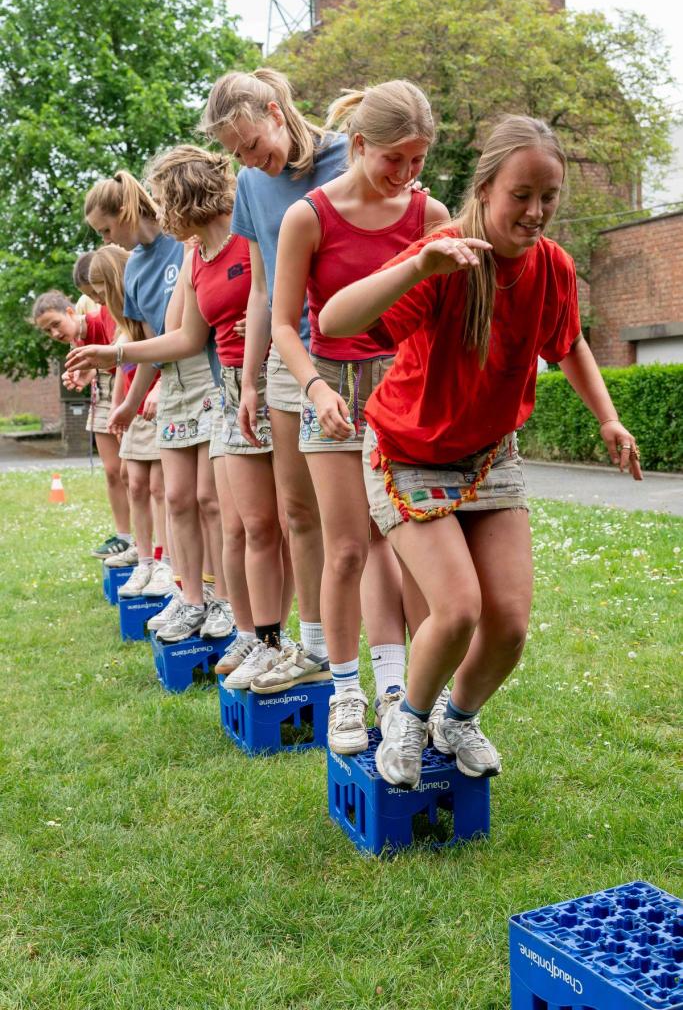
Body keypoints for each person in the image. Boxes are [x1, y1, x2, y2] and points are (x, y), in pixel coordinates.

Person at [319, 114, 643, 788]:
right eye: (521, 195)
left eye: (548, 196)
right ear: (487, 187)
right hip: (408, 452)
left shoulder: (552, 265)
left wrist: (609, 419)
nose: (536, 211)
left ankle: (456, 718)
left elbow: (568, 343)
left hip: (490, 456)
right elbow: (334, 321)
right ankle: (407, 721)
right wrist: (418, 265)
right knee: (458, 610)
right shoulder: (445, 256)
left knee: (509, 625)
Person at [269, 81, 449, 753]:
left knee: (402, 547)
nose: (405, 174)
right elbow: (283, 324)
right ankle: (346, 692)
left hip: (405, 396)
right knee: (346, 548)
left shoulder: (430, 214)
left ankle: (405, 692)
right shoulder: (308, 216)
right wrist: (315, 390)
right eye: (392, 159)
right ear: (360, 144)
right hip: (334, 393)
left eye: (417, 160)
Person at [68, 145, 293, 677]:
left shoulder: (245, 232)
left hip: (260, 383)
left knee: (273, 521)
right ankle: (245, 630)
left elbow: (275, 296)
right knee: (231, 522)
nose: (157, 209)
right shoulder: (189, 256)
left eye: (162, 198)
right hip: (222, 389)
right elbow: (181, 336)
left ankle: (285, 638)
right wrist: (118, 363)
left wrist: (266, 324)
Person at [197, 67, 348, 680]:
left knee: (367, 524)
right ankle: (313, 649)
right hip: (289, 359)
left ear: (275, 112)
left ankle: (396, 673)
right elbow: (261, 290)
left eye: (253, 144)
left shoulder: (348, 157)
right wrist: (250, 381)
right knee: (298, 512)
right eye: (237, 154)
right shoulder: (250, 186)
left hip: (356, 354)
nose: (250, 161)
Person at [84, 171, 230, 642]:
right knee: (178, 499)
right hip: (171, 386)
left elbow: (192, 332)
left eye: (106, 229)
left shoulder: (182, 241)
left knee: (210, 500)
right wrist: (130, 401)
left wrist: (118, 357)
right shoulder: (133, 270)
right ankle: (191, 599)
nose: (107, 240)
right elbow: (150, 345)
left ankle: (223, 600)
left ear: (125, 212)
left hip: (206, 375)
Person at [86, 245, 169, 601]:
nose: (98, 300)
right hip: (134, 411)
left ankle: (165, 561)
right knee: (135, 484)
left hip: (156, 406)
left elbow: (164, 352)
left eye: (100, 291)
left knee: (160, 489)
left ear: (116, 281)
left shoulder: (146, 307)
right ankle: (144, 560)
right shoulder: (122, 320)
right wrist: (118, 403)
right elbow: (124, 364)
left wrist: (157, 389)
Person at [31, 284, 132, 559]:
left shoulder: (103, 317)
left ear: (69, 311)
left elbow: (125, 356)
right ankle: (124, 538)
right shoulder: (76, 340)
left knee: (132, 474)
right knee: (112, 471)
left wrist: (96, 372)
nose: (55, 333)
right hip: (102, 395)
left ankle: (149, 546)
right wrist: (85, 374)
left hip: (125, 390)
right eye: (48, 331)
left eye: (56, 324)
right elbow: (96, 367)